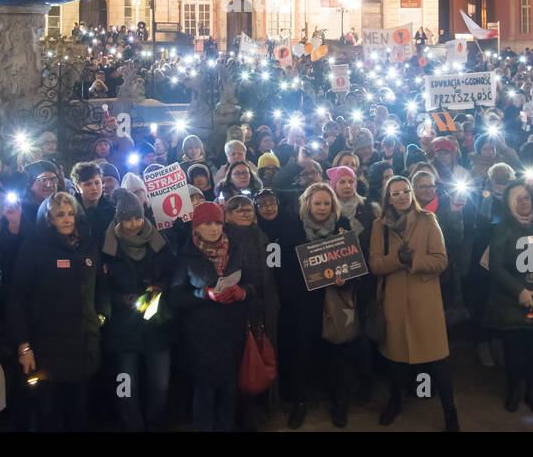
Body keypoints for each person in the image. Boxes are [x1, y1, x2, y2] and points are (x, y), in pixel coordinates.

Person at [10, 192, 108, 432]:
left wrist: (101, 315)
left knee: (79, 413)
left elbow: (102, 286)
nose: (67, 219)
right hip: (47, 349)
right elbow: (17, 297)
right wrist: (23, 345)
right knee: (49, 415)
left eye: (70, 213)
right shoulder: (34, 247)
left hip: (83, 346)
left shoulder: (87, 245)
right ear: (48, 219)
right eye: (60, 215)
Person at [369, 175, 459, 431]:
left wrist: (414, 261)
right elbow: (375, 265)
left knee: (438, 361)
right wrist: (398, 260)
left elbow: (441, 261)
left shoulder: (428, 220)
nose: (402, 196)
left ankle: (450, 412)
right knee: (396, 360)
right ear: (388, 197)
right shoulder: (379, 226)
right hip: (394, 302)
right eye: (395, 193)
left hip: (424, 302)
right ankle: (395, 403)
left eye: (405, 191)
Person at [168, 201, 262, 431]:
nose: (214, 228)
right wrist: (204, 294)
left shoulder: (236, 249)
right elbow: (175, 297)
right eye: (208, 224)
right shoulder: (186, 256)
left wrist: (243, 292)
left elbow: (255, 281)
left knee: (230, 389)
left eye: (218, 223)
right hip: (201, 337)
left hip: (232, 332)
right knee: (205, 390)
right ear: (196, 228)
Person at [275, 182, 363, 429]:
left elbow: (355, 266)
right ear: (307, 204)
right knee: (302, 354)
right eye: (317, 203)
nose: (322, 208)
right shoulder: (293, 228)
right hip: (304, 304)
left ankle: (340, 402)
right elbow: (283, 269)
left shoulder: (343, 226)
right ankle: (300, 403)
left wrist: (344, 280)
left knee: (337, 354)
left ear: (333, 205)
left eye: (326, 203)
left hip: (334, 300)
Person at [101, 190, 175, 431]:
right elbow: (100, 288)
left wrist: (160, 287)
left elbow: (172, 273)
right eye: (128, 219)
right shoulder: (108, 247)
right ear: (118, 220)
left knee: (161, 383)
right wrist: (121, 298)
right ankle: (133, 424)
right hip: (123, 327)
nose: (133, 224)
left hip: (156, 324)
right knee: (126, 384)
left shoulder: (159, 243)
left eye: (137, 218)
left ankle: (154, 421)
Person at [486, 179, 533, 413]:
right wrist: (519, 291)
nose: (522, 202)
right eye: (516, 198)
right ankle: (513, 390)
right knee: (514, 351)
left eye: (525, 197)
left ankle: (532, 391)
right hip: (512, 298)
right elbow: (496, 266)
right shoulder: (501, 229)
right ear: (508, 204)